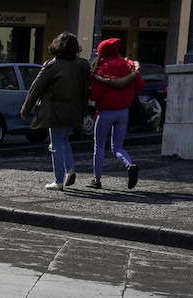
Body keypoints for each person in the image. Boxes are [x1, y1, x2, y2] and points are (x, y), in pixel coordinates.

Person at [20, 32, 90, 191]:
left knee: (56, 145)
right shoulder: (83, 65)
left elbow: (35, 89)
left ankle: (58, 181)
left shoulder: (51, 65)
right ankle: (70, 170)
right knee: (64, 140)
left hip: (55, 111)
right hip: (75, 110)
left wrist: (25, 109)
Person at [88, 37, 143, 190]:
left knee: (98, 146)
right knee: (117, 146)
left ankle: (97, 179)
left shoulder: (101, 68)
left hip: (105, 112)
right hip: (123, 111)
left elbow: (94, 95)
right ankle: (129, 164)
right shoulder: (128, 65)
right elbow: (139, 85)